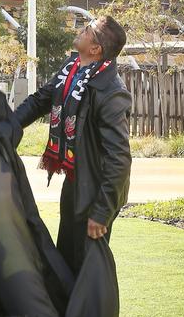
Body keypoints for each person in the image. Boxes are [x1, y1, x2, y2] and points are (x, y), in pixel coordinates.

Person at [15, 15, 132, 275]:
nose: (83, 28)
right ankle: (67, 314)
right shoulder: (72, 69)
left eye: (89, 28)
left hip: (97, 189)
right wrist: (8, 127)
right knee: (67, 258)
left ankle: (89, 316)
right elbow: (40, 100)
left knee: (87, 270)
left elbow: (119, 158)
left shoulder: (111, 91)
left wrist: (102, 211)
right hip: (75, 181)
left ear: (96, 49)